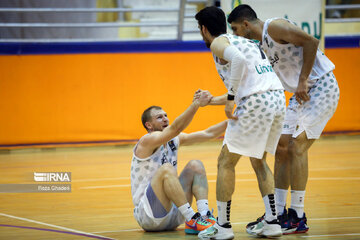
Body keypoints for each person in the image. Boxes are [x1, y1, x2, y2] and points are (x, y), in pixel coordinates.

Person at [227, 4, 340, 235]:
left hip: (320, 86)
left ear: (246, 24)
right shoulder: (259, 46)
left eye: (236, 29)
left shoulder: (275, 27)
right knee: (281, 148)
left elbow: (311, 41)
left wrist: (302, 80)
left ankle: (298, 215)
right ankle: (278, 213)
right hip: (297, 96)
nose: (236, 34)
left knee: (297, 146)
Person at [194, 6, 286, 239]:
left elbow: (237, 62)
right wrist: (212, 100)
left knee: (225, 161)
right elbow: (252, 84)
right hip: (276, 98)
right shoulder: (244, 42)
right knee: (259, 160)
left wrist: (230, 99)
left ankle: (223, 227)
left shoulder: (219, 44)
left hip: (257, 101)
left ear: (204, 29)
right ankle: (273, 222)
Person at [131, 90, 228, 235]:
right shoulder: (147, 141)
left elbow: (209, 133)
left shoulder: (174, 139)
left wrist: (233, 120)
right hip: (149, 215)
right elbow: (176, 128)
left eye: (166, 115)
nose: (165, 119)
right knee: (167, 169)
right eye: (159, 117)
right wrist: (196, 104)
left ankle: (203, 215)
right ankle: (191, 218)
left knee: (195, 165)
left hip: (174, 215)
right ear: (149, 125)